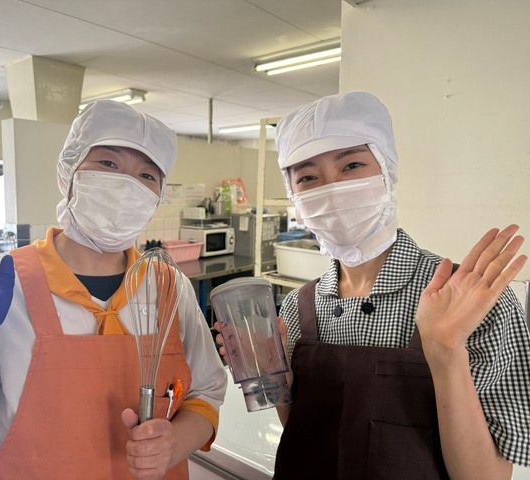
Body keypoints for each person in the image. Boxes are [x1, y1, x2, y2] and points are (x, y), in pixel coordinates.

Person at [0, 100, 228, 480]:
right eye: (108, 163)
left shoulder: (169, 287)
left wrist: (174, 443)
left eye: (147, 175)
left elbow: (206, 393)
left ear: (158, 195)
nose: (127, 185)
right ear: (69, 171)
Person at [216, 92, 530, 479]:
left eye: (351, 165)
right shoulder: (298, 307)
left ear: (387, 170)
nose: (331, 189)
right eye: (309, 177)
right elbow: (303, 434)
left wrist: (446, 352)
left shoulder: (469, 301)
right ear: (294, 195)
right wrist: (279, 378)